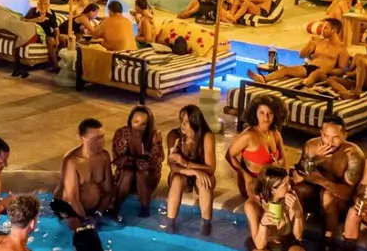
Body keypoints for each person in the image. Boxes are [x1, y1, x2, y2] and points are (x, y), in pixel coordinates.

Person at [292, 114, 365, 239]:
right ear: (321, 133)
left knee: (327, 196)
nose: (330, 142)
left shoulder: (353, 154)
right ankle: (298, 232)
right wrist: (314, 160)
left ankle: (329, 235)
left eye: (335, 137)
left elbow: (348, 193)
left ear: (344, 135)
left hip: (339, 200)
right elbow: (298, 177)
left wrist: (322, 181)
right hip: (315, 194)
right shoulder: (311, 146)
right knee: (297, 190)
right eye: (326, 136)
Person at [249, 18, 349, 88]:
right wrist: (310, 43)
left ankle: (302, 86)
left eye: (325, 28)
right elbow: (301, 55)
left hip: (324, 73)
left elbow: (341, 70)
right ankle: (263, 78)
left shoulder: (341, 49)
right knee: (285, 70)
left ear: (333, 31)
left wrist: (328, 71)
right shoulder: (319, 42)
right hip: (309, 68)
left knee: (316, 73)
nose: (322, 30)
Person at [52, 118, 113, 231]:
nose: (100, 142)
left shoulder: (104, 156)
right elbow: (73, 198)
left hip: (93, 210)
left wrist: (98, 214)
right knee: (81, 232)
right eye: (94, 139)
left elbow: (109, 190)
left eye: (101, 137)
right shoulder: (72, 161)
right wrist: (85, 221)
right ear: (82, 138)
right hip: (68, 209)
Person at [166, 105, 217, 236]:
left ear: (195, 122)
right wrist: (193, 171)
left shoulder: (206, 137)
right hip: (182, 174)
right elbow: (172, 166)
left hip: (203, 174)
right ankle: (170, 224)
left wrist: (186, 164)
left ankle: (206, 224)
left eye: (187, 122)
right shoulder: (174, 136)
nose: (182, 125)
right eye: (181, 120)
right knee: (177, 180)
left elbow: (211, 169)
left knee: (204, 182)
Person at [226, 95, 288, 199]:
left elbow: (284, 161)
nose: (266, 118)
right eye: (262, 113)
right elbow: (229, 155)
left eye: (270, 113)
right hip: (254, 183)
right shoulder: (249, 136)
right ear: (255, 113)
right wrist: (246, 177)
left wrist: (286, 179)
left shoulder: (276, 134)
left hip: (273, 182)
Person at [111, 106, 164, 218]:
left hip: (147, 176)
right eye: (136, 122)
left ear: (148, 125)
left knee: (141, 174)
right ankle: (116, 206)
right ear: (130, 120)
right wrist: (135, 163)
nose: (138, 127)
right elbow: (117, 160)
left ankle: (145, 207)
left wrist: (138, 163)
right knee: (128, 173)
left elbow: (157, 160)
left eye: (143, 124)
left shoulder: (154, 136)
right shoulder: (122, 133)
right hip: (125, 174)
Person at [245, 167, 305, 251]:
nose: (290, 186)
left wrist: (298, 211)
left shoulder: (290, 197)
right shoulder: (253, 205)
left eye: (289, 182)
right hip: (263, 244)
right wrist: (263, 224)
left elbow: (298, 236)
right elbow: (259, 245)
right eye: (285, 185)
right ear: (273, 189)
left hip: (286, 241)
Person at [327, 33, 367, 100]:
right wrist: (351, 72)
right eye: (366, 43)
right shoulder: (358, 56)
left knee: (361, 62)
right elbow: (347, 69)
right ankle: (347, 94)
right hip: (356, 81)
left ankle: (358, 90)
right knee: (330, 79)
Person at [25, 0, 60, 70]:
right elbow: (23, 21)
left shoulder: (51, 13)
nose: (43, 6)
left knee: (63, 39)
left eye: (45, 4)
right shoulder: (32, 11)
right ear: (37, 4)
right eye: (40, 3)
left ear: (48, 5)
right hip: (37, 35)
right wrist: (36, 20)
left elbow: (56, 28)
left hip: (48, 34)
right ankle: (56, 66)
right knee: (51, 40)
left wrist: (57, 38)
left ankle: (62, 64)